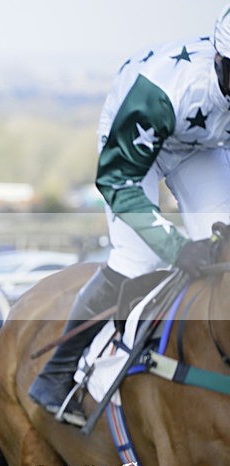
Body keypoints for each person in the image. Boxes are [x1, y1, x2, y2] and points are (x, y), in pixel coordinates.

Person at [29, 5, 230, 426]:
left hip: (203, 146)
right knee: (140, 259)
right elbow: (117, 181)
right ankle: (58, 371)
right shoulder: (165, 91)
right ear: (218, 59)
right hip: (135, 146)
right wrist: (177, 247)